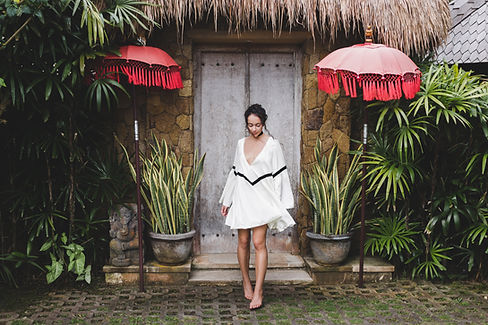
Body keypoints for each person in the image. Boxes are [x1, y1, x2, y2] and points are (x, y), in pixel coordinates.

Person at [220, 104, 295, 310]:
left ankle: (259, 290)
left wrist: (281, 205)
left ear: (264, 123)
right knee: (243, 241)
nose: (254, 129)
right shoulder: (240, 143)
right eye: (250, 125)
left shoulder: (273, 145)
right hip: (242, 196)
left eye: (257, 125)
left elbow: (280, 175)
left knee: (258, 242)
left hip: (262, 198)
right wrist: (227, 200)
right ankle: (246, 281)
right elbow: (235, 172)